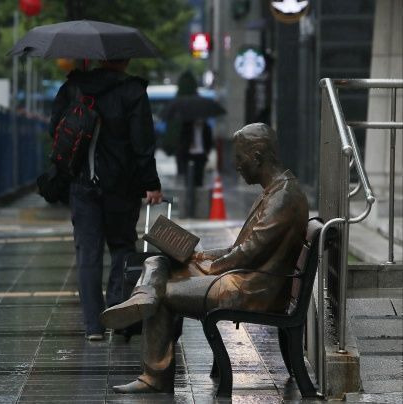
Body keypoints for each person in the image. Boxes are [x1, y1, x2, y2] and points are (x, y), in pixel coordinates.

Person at [100, 123, 308, 393]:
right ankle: (143, 297)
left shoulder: (284, 197)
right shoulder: (277, 191)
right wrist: (200, 255)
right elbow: (246, 247)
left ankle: (155, 376)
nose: (236, 165)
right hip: (243, 277)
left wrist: (210, 267)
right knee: (157, 261)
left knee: (163, 294)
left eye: (239, 158)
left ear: (257, 156)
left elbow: (249, 252)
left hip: (249, 288)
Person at [49, 59, 163, 341]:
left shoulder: (73, 88)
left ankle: (93, 327)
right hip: (121, 186)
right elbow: (142, 141)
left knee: (87, 253)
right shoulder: (133, 91)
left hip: (81, 184)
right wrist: (150, 183)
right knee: (123, 247)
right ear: (122, 59)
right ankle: (118, 313)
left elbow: (55, 130)